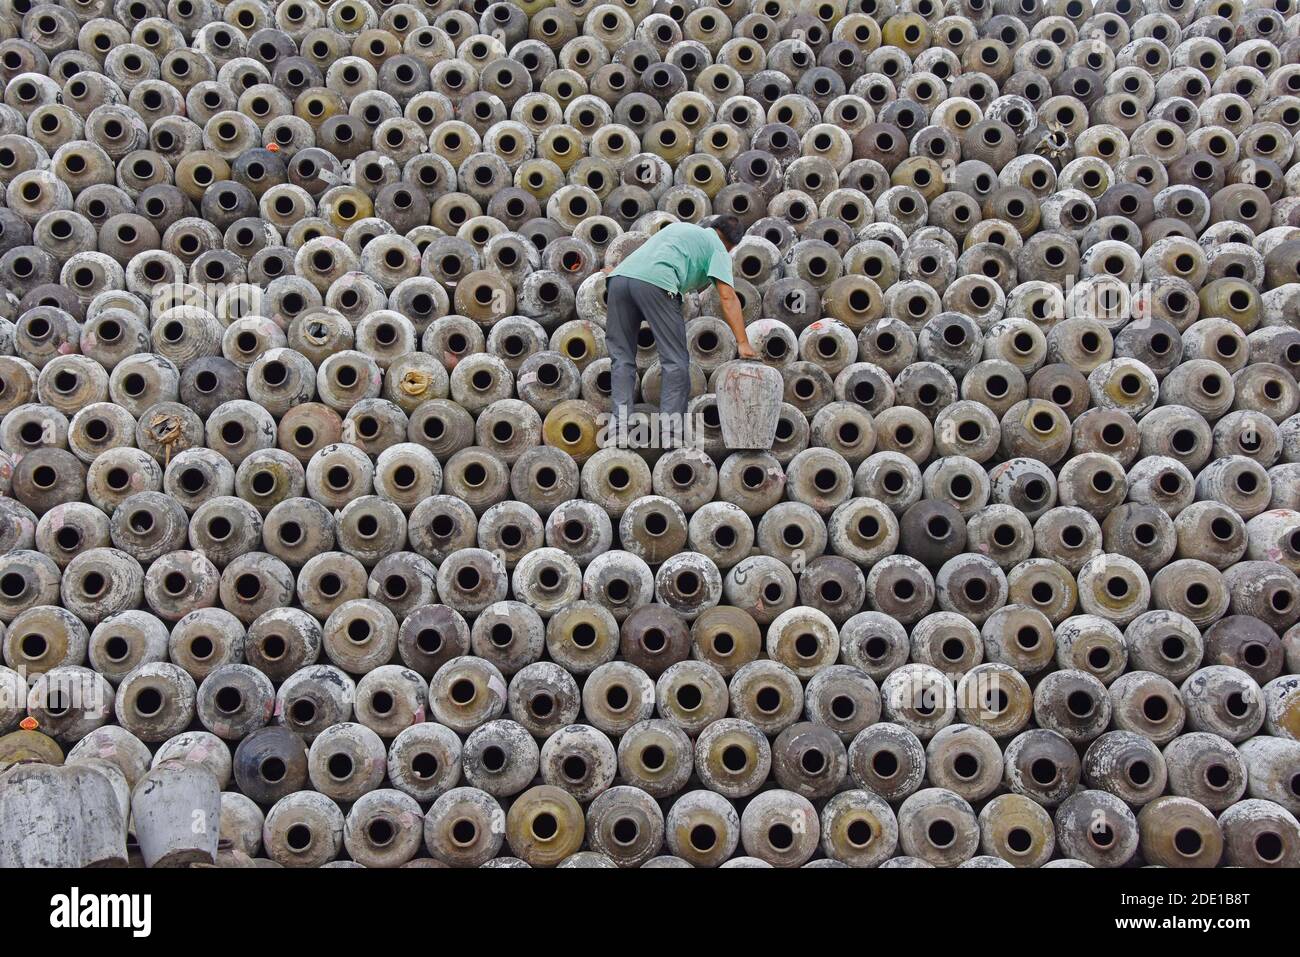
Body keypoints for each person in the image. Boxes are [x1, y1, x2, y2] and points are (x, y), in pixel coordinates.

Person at [603, 215, 757, 440]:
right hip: (657, 282)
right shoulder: (718, 249)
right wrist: (743, 343)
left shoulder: (682, 230)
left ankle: (618, 431)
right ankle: (671, 435)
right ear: (732, 245)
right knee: (675, 361)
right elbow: (727, 296)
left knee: (622, 359)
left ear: (711, 227)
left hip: (618, 280)